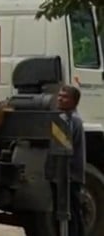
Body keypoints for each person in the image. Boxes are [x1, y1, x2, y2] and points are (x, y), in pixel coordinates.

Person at [57, 84, 86, 236]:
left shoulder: (72, 120)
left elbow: (63, 149)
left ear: (74, 101)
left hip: (70, 175)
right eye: (59, 95)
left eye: (65, 96)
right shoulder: (66, 118)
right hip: (67, 174)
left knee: (71, 215)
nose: (60, 99)